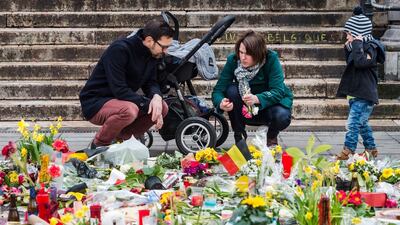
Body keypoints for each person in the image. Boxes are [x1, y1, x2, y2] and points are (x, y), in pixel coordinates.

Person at [79, 19, 174, 155]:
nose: (166, 51)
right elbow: (120, 90)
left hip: (121, 101)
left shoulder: (152, 53)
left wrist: (157, 97)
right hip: (96, 102)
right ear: (148, 41)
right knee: (130, 110)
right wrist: (149, 103)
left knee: (162, 106)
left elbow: (151, 82)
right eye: (164, 47)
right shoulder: (120, 49)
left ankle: (124, 140)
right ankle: (98, 146)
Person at [211, 30, 293, 147]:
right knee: (232, 90)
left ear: (258, 53)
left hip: (268, 107)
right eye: (241, 52)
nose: (243, 57)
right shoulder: (234, 60)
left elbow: (278, 91)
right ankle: (239, 136)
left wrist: (257, 98)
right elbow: (218, 90)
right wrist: (221, 103)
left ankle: (270, 137)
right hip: (244, 109)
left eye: (247, 54)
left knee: (282, 116)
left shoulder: (271, 59)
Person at [336, 6, 385, 160]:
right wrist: (350, 48)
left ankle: (348, 150)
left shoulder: (371, 48)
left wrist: (356, 44)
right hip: (355, 92)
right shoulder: (358, 47)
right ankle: (371, 149)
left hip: (365, 93)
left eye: (349, 34)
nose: (346, 37)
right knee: (362, 123)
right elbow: (351, 63)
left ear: (358, 35)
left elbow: (360, 63)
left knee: (352, 123)